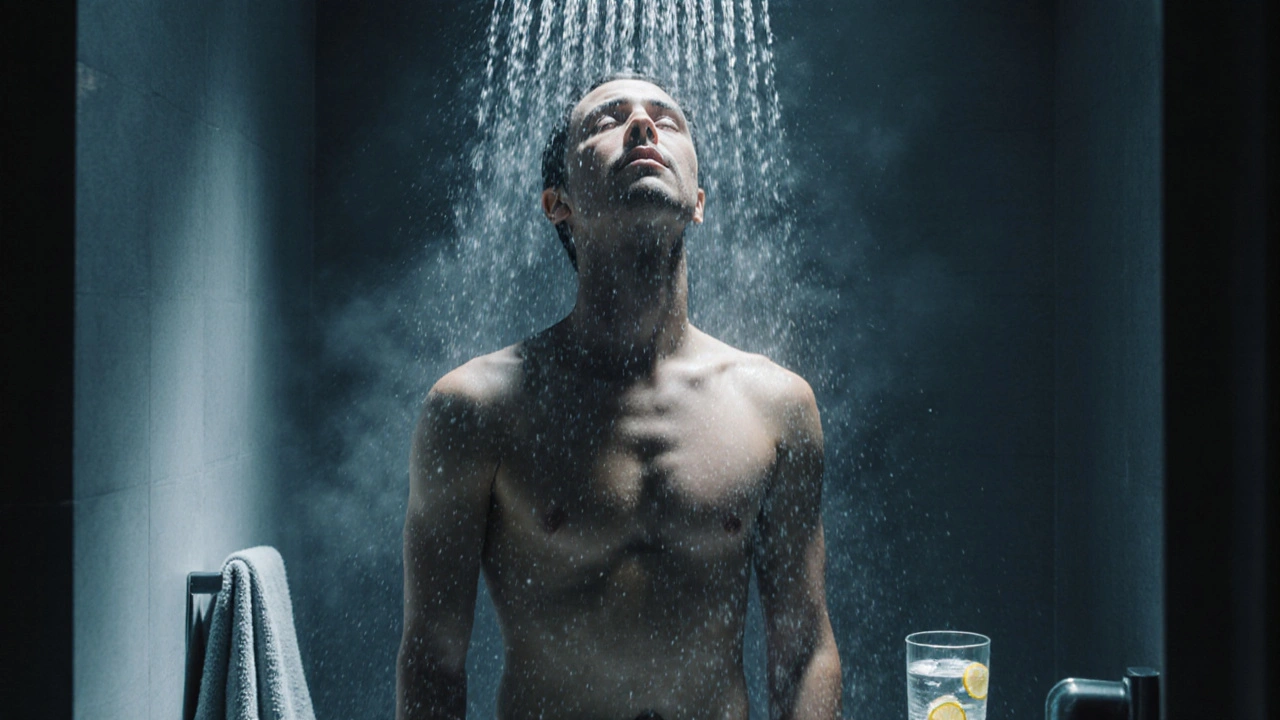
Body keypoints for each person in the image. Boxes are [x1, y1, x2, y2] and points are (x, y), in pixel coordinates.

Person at [397, 72, 841, 720]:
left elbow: (803, 649)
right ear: (559, 203)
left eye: (666, 118)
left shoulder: (775, 407)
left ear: (698, 201)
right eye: (607, 120)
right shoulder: (475, 409)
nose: (642, 126)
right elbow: (433, 657)